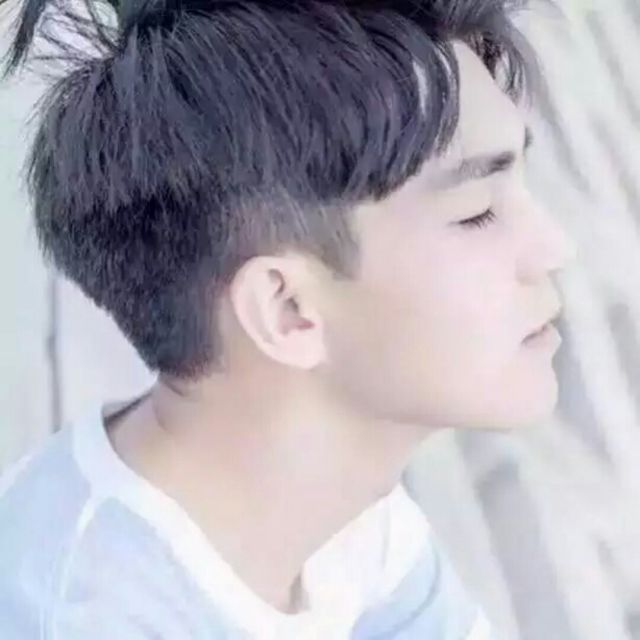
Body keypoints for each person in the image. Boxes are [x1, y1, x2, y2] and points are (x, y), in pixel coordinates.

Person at [0, 0, 575, 637]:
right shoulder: (81, 614)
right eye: (477, 211)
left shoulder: (349, 520)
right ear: (287, 310)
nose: (554, 247)